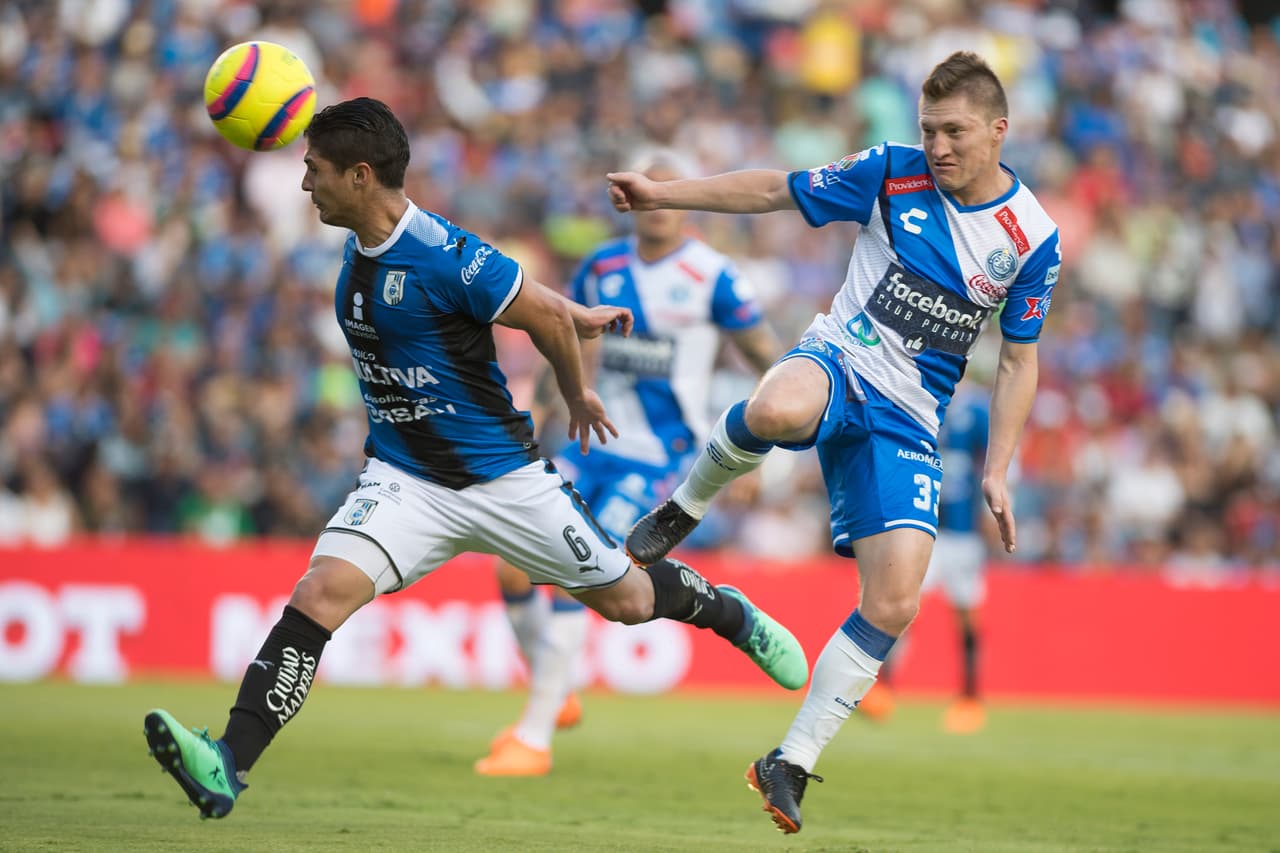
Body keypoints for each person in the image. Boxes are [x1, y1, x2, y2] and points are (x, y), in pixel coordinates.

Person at [142, 98, 808, 820]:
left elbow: (536, 311)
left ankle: (729, 614)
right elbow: (533, 299)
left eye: (316, 170)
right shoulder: (362, 249)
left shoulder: (439, 250)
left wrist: (576, 391)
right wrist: (574, 311)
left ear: (360, 176)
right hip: (404, 479)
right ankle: (227, 763)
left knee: (628, 601)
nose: (306, 183)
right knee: (318, 595)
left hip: (503, 480)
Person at [607, 51, 1061, 834]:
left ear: (999, 130)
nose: (937, 146)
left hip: (909, 418)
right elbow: (773, 190)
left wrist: (998, 468)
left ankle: (789, 761)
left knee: (896, 600)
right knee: (776, 405)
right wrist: (665, 192)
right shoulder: (891, 171)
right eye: (928, 129)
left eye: (954, 131)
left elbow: (1020, 359)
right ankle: (683, 507)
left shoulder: (1032, 237)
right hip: (841, 360)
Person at [475, 148, 781, 776]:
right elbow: (562, 335)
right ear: (631, 197)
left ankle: (534, 736)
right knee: (511, 568)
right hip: (590, 444)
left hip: (659, 458)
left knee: (578, 568)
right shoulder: (602, 267)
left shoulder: (713, 276)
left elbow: (769, 362)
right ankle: (556, 691)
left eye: (671, 188)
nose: (658, 201)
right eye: (650, 187)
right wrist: (540, 401)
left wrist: (763, 450)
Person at [857, 382, 994, 734]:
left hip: (962, 529)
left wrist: (989, 508)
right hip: (922, 523)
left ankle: (970, 696)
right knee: (902, 605)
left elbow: (995, 455)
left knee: (965, 612)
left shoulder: (975, 410)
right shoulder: (920, 395)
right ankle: (884, 688)